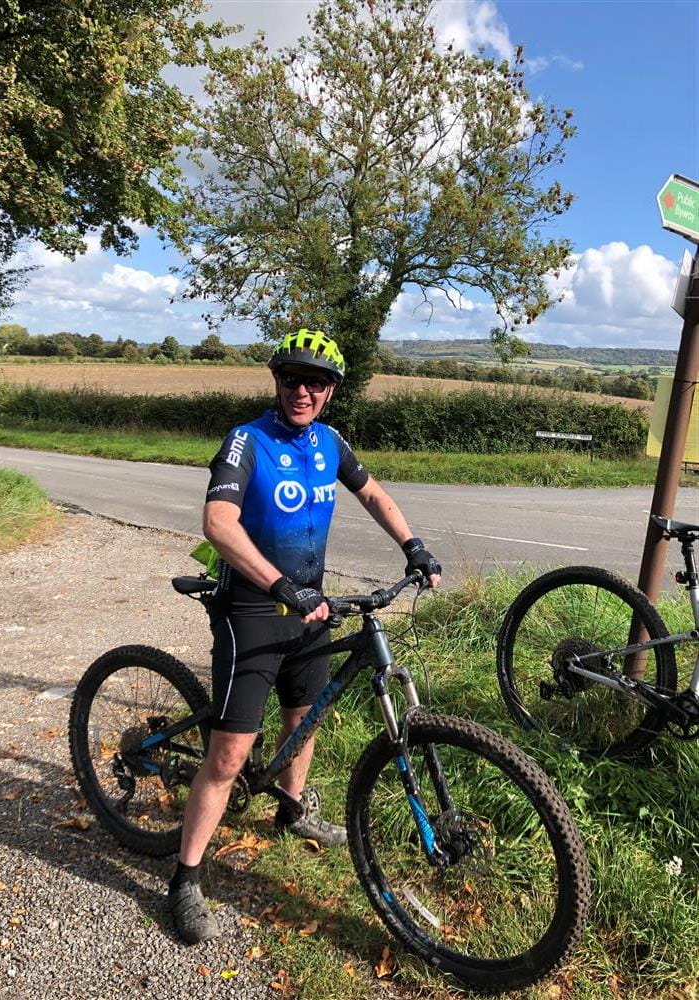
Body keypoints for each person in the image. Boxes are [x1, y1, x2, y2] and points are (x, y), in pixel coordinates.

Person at [169, 328, 441, 943]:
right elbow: (217, 522)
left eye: (314, 382)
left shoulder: (330, 443)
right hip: (254, 609)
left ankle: (292, 810)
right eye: (291, 378)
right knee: (230, 754)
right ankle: (185, 876)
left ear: (330, 392)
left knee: (305, 717)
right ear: (277, 383)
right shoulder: (247, 441)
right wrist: (276, 586)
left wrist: (413, 545)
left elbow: (372, 493)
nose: (301, 390)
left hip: (311, 609)